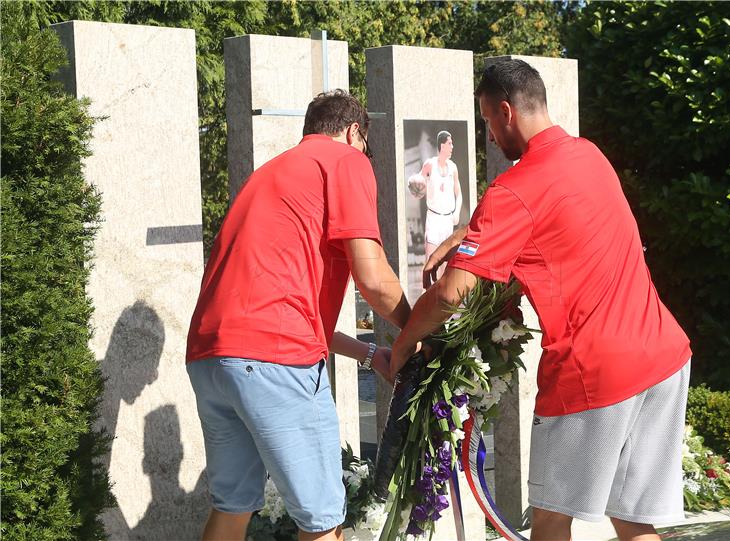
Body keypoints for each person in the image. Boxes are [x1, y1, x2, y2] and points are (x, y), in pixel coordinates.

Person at [390, 60, 692, 541]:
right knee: (633, 522)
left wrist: (404, 344)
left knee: (551, 520)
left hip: (595, 372)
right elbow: (549, 210)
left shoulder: (513, 188)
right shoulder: (588, 154)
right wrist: (467, 233)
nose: (489, 133)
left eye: (488, 119)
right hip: (664, 357)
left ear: (506, 111)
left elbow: (450, 293)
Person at [185, 90, 411, 541]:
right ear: (353, 133)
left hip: (211, 356)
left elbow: (295, 314)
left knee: (232, 509)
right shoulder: (346, 161)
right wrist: (419, 328)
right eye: (365, 144)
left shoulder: (271, 174)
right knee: (322, 523)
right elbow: (374, 278)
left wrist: (369, 355)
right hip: (273, 358)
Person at [407, 130, 463, 262]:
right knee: (431, 260)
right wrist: (415, 182)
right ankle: (428, 283)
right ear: (442, 146)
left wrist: (457, 213)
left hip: (447, 220)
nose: (452, 147)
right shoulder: (430, 164)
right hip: (434, 218)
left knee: (445, 262)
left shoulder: (453, 167)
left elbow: (458, 193)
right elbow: (418, 180)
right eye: (450, 143)